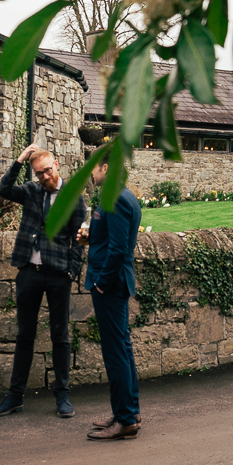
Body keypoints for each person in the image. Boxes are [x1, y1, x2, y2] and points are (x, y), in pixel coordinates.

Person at [0, 144, 87, 419]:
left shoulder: (73, 197)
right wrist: (20, 161)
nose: (44, 177)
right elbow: (3, 190)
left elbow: (80, 239)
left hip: (58, 275)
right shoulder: (31, 191)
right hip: (29, 272)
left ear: (56, 165)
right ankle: (14, 397)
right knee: (24, 336)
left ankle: (63, 396)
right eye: (38, 173)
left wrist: (72, 271)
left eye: (47, 171)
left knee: (60, 337)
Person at [85, 150, 143, 442]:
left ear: (105, 167)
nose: (91, 175)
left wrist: (101, 284)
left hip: (111, 285)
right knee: (123, 347)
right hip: (116, 283)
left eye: (94, 168)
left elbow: (118, 249)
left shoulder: (116, 198)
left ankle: (124, 419)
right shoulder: (126, 195)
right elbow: (111, 238)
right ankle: (129, 411)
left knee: (115, 351)